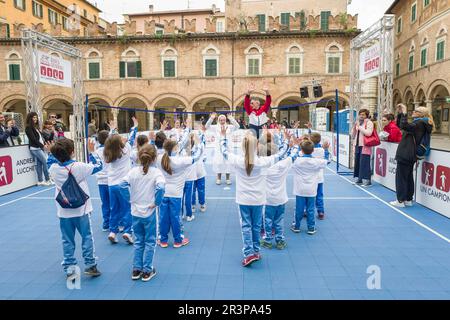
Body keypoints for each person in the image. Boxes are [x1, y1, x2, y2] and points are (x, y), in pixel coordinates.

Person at [219, 128, 289, 267]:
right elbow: (281, 154)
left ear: (243, 147)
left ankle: (249, 253)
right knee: (256, 226)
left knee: (246, 226)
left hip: (243, 200)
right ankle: (256, 251)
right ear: (257, 146)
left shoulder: (238, 161)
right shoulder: (263, 162)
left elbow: (224, 151)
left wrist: (223, 136)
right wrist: (285, 139)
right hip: (259, 200)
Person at [47, 138, 102, 278]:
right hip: (81, 210)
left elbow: (50, 161)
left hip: (64, 211)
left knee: (67, 240)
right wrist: (92, 152)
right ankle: (90, 265)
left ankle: (69, 268)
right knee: (87, 237)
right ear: (72, 152)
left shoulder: (53, 169)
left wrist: (50, 153)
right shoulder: (79, 166)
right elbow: (99, 165)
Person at [121, 144, 165, 282]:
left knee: (139, 241)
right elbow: (161, 187)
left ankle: (136, 269)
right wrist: (157, 202)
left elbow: (121, 185)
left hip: (135, 212)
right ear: (154, 158)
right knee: (150, 241)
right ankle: (147, 270)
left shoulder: (133, 171)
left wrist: (130, 199)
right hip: (150, 212)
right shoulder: (156, 173)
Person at [156, 135, 205, 248]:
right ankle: (178, 240)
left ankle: (163, 240)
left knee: (163, 217)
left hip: (163, 192)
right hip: (176, 194)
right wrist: (200, 144)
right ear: (175, 148)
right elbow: (197, 156)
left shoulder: (159, 158)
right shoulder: (181, 160)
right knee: (175, 217)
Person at [259, 130, 299, 250]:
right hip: (281, 198)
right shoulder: (282, 165)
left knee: (267, 221)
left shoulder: (261, 166)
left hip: (267, 200)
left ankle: (267, 240)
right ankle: (280, 240)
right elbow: (292, 156)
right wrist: (294, 144)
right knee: (279, 220)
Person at [390, 104, 434, 208]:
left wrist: (405, 112)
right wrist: (400, 113)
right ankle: (408, 199)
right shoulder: (421, 123)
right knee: (408, 177)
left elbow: (405, 126)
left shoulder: (419, 123)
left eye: (416, 111)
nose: (413, 112)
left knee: (401, 177)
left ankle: (400, 200)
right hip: (410, 153)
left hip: (406, 153)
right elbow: (401, 125)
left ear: (421, 114)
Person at [103, 117, 138, 244]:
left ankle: (113, 231)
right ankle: (128, 232)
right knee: (127, 208)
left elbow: (111, 141)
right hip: (124, 184)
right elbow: (132, 137)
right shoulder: (126, 149)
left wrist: (112, 129)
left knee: (114, 209)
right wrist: (135, 126)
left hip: (111, 184)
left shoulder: (107, 152)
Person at [291, 140, 329, 235]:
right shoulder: (316, 162)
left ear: (302, 151)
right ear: (312, 151)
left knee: (299, 209)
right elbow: (327, 161)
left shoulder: (297, 161)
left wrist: (294, 146)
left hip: (300, 190)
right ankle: (311, 228)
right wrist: (326, 149)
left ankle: (296, 226)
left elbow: (289, 157)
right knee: (310, 209)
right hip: (311, 190)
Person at [205, 113, 240, 185]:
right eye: (220, 120)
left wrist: (231, 118)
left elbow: (237, 126)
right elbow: (206, 126)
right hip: (219, 148)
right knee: (219, 162)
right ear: (218, 120)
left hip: (228, 147)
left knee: (228, 162)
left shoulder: (230, 127)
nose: (222, 121)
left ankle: (228, 178)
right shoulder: (215, 127)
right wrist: (211, 118)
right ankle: (218, 178)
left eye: (223, 120)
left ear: (225, 120)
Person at [25, 112, 52, 186]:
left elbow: (41, 137)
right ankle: (47, 179)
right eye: (33, 117)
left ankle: (40, 180)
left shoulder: (35, 127)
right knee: (45, 162)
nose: (35, 119)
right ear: (30, 118)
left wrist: (44, 143)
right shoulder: (28, 127)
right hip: (34, 148)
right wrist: (42, 146)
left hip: (38, 148)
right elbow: (33, 139)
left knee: (40, 164)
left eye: (36, 117)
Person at [310, 132, 331, 220]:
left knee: (309, 195)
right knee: (319, 195)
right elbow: (328, 161)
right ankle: (321, 211)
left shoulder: (308, 149)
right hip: (319, 178)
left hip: (310, 178)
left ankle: (306, 210)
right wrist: (326, 150)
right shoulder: (322, 150)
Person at [93, 130, 111, 232]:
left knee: (105, 203)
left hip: (101, 181)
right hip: (111, 180)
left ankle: (106, 223)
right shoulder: (111, 150)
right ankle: (116, 223)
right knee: (114, 203)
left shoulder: (96, 151)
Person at [351, 109, 374, 187]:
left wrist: (360, 127)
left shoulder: (369, 122)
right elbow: (353, 135)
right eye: (360, 114)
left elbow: (368, 133)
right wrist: (354, 127)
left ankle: (368, 180)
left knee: (365, 163)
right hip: (357, 145)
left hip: (365, 146)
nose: (361, 116)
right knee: (358, 162)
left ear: (366, 115)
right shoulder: (358, 123)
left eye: (363, 114)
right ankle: (359, 179)